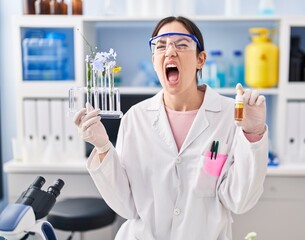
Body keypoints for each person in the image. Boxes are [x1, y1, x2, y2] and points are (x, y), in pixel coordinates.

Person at [74, 16, 268, 240]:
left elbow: (239, 201)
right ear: (154, 60)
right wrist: (102, 147)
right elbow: (126, 206)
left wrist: (253, 133)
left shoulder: (230, 115)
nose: (170, 51)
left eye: (182, 44)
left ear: (201, 59)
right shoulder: (135, 119)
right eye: (160, 45)